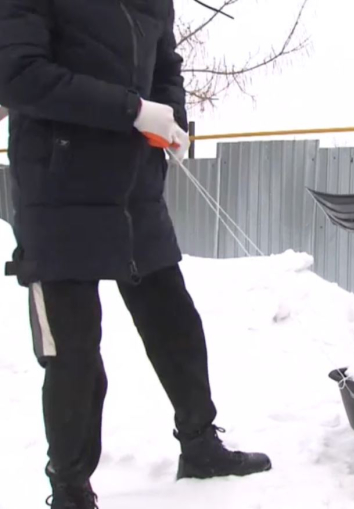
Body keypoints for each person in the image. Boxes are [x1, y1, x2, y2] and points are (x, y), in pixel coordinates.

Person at [0, 1, 271, 507]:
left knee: (176, 324)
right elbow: (19, 77)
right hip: (57, 190)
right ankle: (70, 489)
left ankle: (199, 445)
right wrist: (132, 110)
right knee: (74, 354)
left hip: (133, 189)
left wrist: (171, 118)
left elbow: (166, 66)